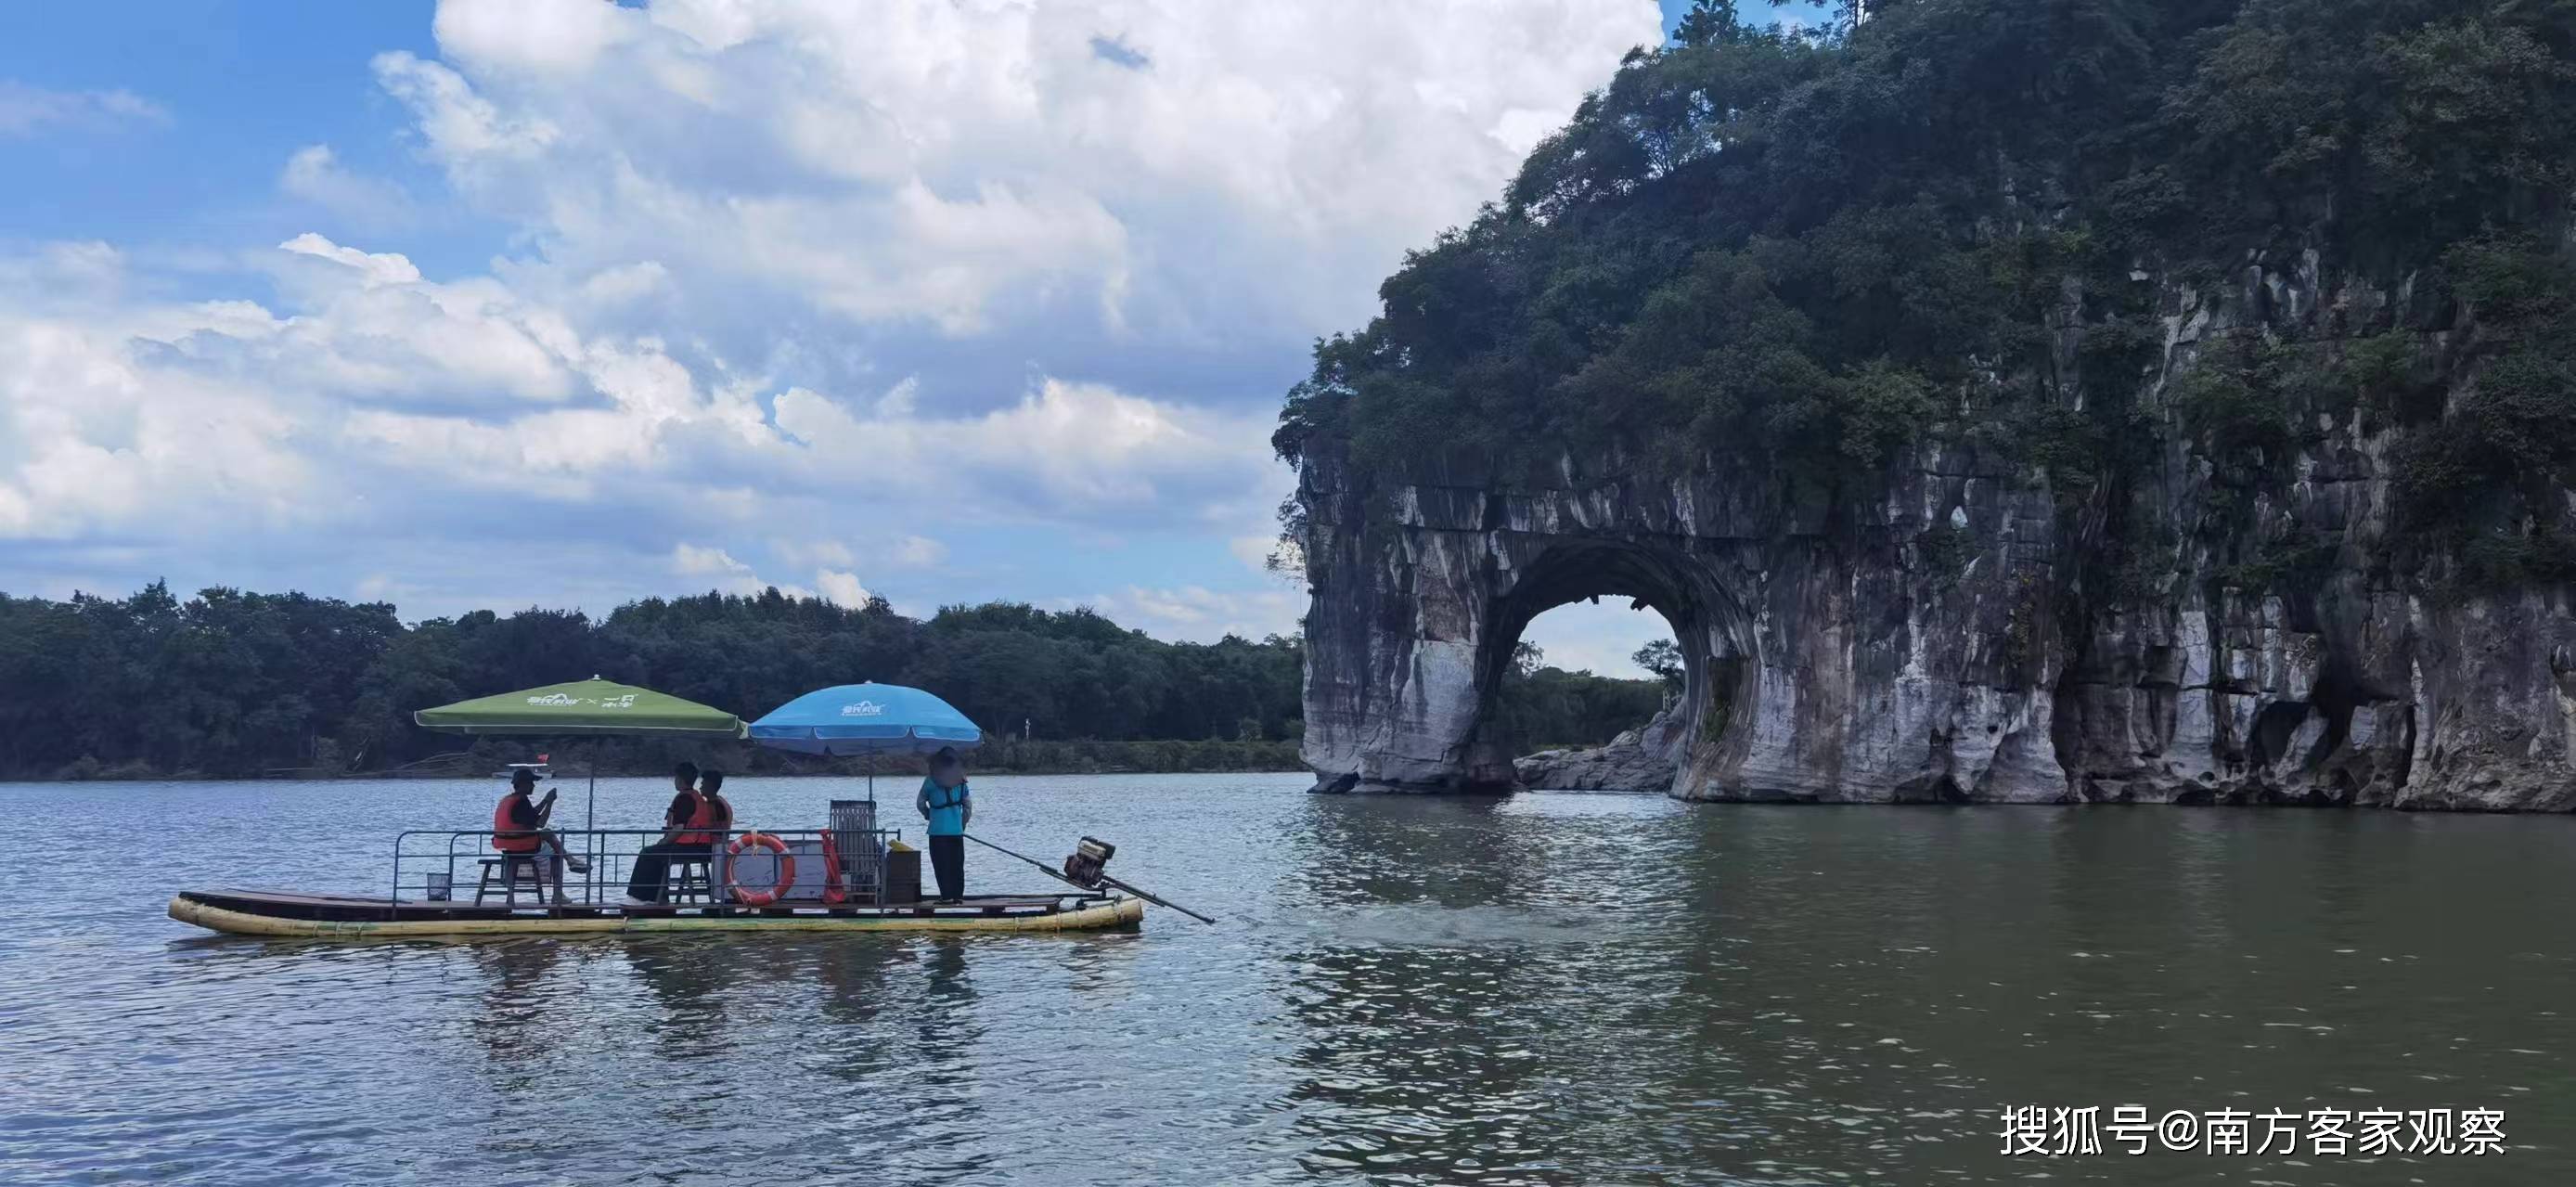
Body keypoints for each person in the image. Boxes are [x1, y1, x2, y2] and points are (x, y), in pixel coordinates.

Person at [623, 762, 728, 906]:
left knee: (647, 853)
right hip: (701, 846)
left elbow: (679, 828)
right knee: (656, 854)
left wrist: (664, 842)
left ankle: (638, 897)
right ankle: (659, 898)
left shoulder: (685, 798)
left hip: (693, 848)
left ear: (679, 779)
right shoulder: (696, 797)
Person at [492, 768, 588, 906]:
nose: (533, 785)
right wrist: (550, 803)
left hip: (507, 846)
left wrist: (544, 800)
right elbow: (540, 823)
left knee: (551, 841)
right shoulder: (522, 802)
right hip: (521, 847)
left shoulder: (512, 800)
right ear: (523, 783)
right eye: (531, 782)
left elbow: (531, 816)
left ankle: (570, 861)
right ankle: (559, 890)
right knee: (555, 850)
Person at [916, 748, 972, 902]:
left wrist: (929, 814)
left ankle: (946, 896)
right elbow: (968, 807)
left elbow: (920, 803)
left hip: (937, 831)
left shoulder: (930, 781)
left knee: (941, 865)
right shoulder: (962, 781)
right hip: (956, 832)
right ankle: (958, 897)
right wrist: (961, 824)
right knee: (957, 865)